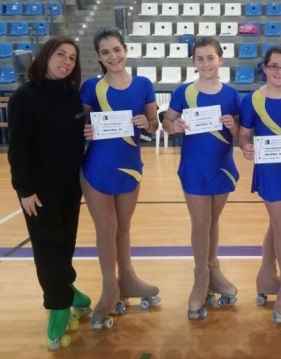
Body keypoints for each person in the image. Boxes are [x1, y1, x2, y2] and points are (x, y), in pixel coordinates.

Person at [8, 36, 90, 349]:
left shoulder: (70, 93)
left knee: (66, 241)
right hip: (38, 190)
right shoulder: (24, 98)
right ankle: (56, 305)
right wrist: (24, 189)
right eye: (60, 55)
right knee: (47, 245)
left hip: (70, 185)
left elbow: (74, 134)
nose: (66, 62)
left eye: (71, 58)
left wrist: (90, 130)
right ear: (45, 56)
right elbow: (18, 150)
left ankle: (68, 289)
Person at [80, 27, 160, 330]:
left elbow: (153, 125)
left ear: (125, 50)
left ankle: (127, 280)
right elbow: (83, 125)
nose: (113, 56)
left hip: (130, 168)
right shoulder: (91, 87)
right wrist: (85, 130)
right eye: (105, 52)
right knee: (106, 230)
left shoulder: (143, 84)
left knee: (123, 229)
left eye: (117, 49)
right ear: (98, 57)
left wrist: (147, 122)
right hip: (98, 169)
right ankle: (108, 288)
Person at [161, 37, 240, 320]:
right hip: (194, 168)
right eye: (200, 58)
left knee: (213, 222)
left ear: (221, 60)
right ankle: (200, 278)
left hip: (222, 167)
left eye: (210, 58)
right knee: (201, 223)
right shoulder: (184, 92)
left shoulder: (232, 95)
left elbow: (242, 135)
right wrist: (174, 125)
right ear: (194, 62)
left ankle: (213, 272)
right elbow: (167, 122)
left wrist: (234, 126)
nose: (206, 63)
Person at [238, 45, 281, 323]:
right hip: (269, 170)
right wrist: (246, 147)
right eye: (274, 66)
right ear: (264, 68)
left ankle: (266, 276)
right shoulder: (251, 100)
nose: (279, 71)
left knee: (278, 225)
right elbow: (244, 135)